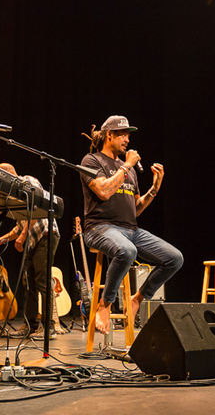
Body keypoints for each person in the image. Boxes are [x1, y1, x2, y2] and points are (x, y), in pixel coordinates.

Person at [79, 115, 183, 335]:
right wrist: (126, 165)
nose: (127, 139)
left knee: (174, 258)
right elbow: (104, 191)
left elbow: (135, 208)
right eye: (122, 134)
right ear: (109, 135)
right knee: (127, 251)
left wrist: (154, 189)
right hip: (99, 228)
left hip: (131, 230)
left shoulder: (130, 170)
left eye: (128, 135)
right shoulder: (92, 161)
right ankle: (105, 304)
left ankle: (138, 299)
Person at [0, 163, 63, 340]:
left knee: (42, 281)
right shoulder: (14, 196)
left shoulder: (27, 181)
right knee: (29, 284)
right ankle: (30, 326)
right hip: (33, 241)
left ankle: (49, 328)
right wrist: (0, 240)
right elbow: (19, 226)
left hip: (46, 235)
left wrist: (23, 236)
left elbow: (38, 209)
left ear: (7, 175)